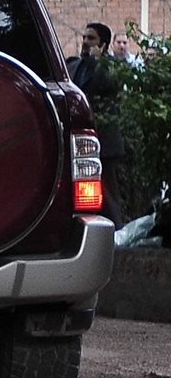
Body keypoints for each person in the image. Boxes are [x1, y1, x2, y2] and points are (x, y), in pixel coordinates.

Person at [66, 22, 126, 225]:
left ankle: (116, 234)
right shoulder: (74, 65)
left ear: (103, 44)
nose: (85, 42)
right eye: (84, 37)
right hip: (79, 142)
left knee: (108, 193)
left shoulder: (111, 67)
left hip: (104, 142)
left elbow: (111, 86)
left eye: (91, 38)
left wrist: (98, 62)